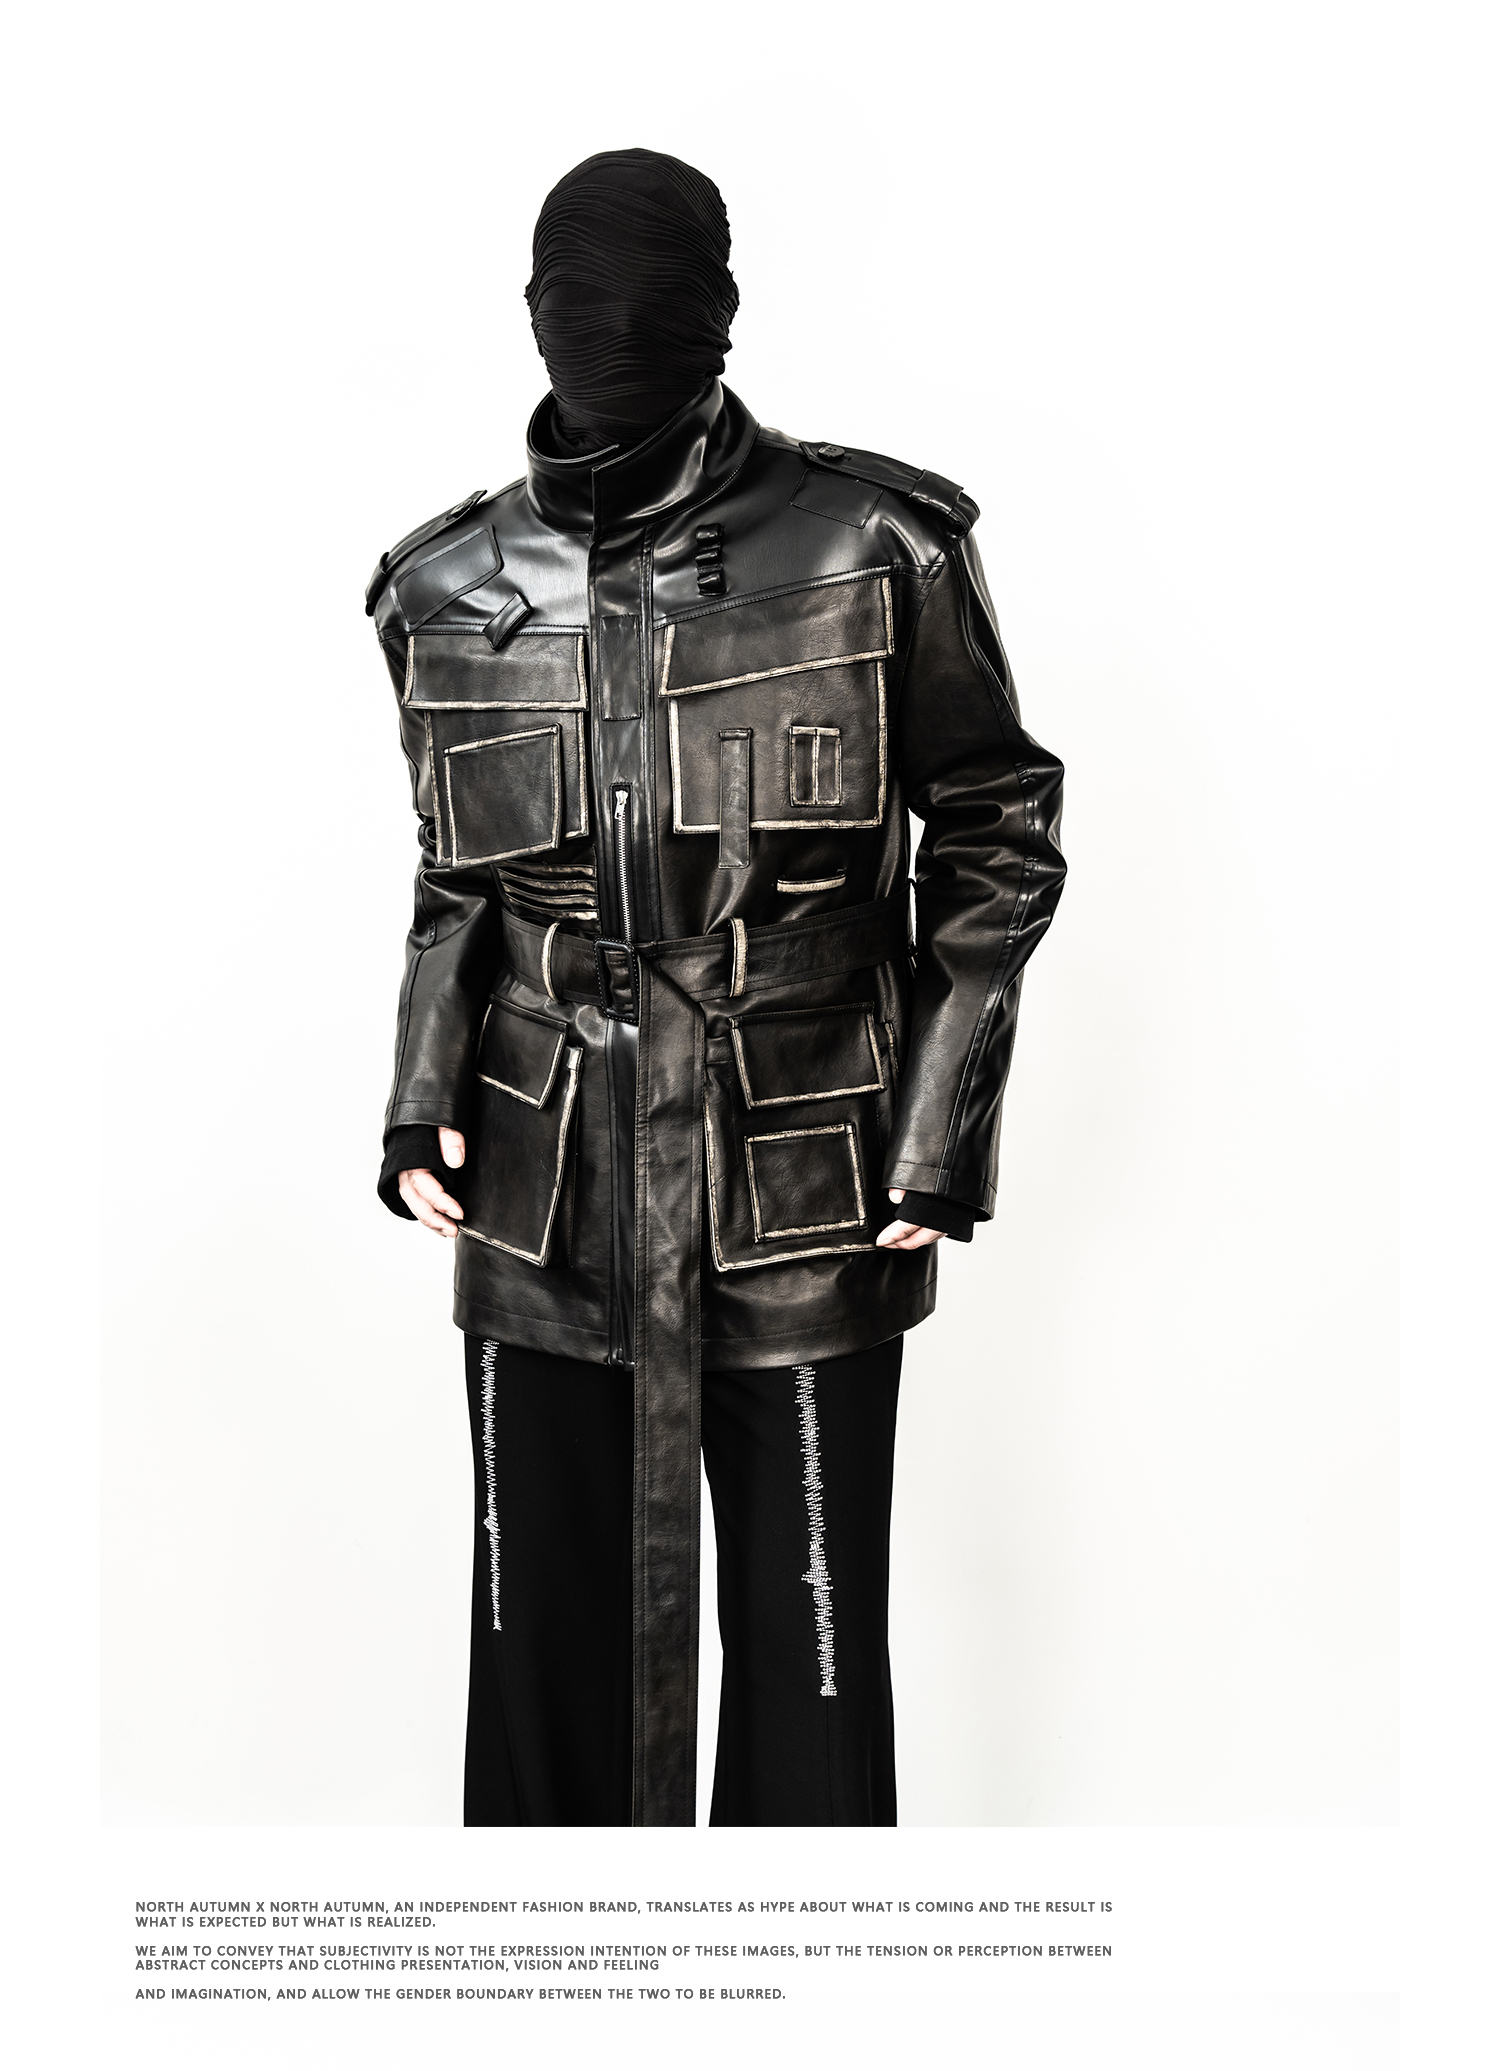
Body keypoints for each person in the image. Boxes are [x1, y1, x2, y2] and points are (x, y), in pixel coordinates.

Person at [366, 147, 1066, 1827]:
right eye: (583, 305)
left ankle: (798, 1962)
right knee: (538, 1651)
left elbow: (997, 823)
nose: (615, 335)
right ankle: (555, 1960)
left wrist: (935, 1135)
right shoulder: (444, 586)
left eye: (653, 304)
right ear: (533, 317)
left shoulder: (877, 541)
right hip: (538, 1173)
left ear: (723, 312)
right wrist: (417, 1102)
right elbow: (460, 876)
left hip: (807, 1162)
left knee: (808, 1652)